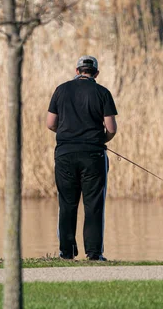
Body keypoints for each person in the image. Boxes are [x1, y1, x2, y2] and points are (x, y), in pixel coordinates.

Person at [46, 56, 118, 261]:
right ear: (96, 74)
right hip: (94, 155)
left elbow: (51, 123)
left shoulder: (61, 90)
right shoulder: (103, 92)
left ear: (77, 71)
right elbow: (111, 128)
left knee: (67, 204)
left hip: (65, 154)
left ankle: (66, 253)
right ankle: (94, 254)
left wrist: (68, 135)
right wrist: (99, 140)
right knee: (93, 204)